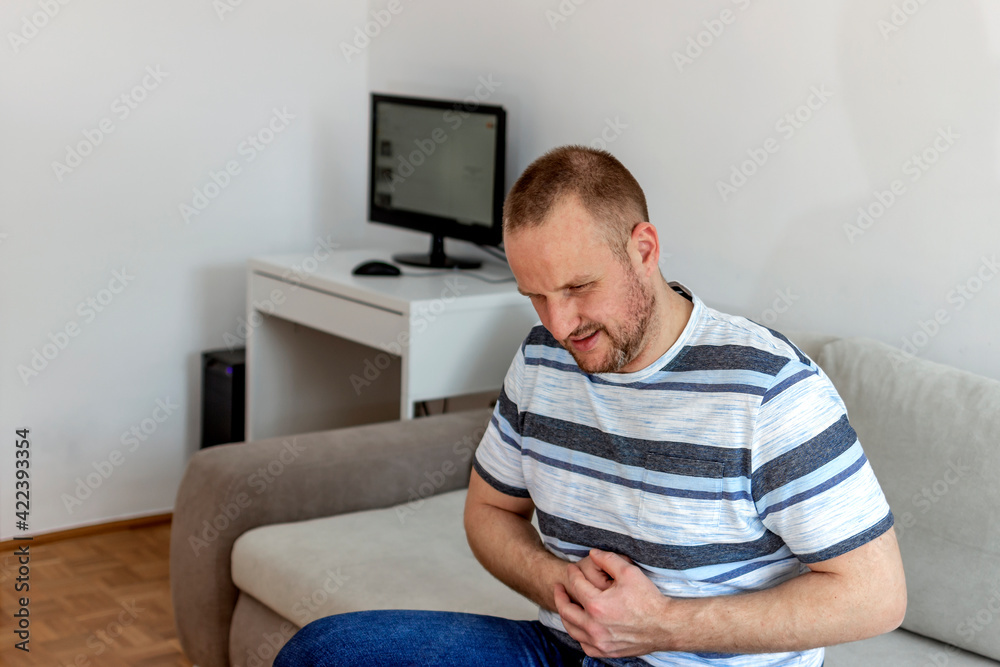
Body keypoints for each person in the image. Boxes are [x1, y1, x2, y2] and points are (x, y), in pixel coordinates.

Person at [275, 146, 907, 667]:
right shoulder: (542, 361)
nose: (559, 324)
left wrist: (661, 626)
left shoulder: (769, 391)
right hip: (561, 650)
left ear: (645, 249)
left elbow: (877, 597)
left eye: (578, 288)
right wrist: (558, 585)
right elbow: (488, 512)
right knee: (323, 653)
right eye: (536, 297)